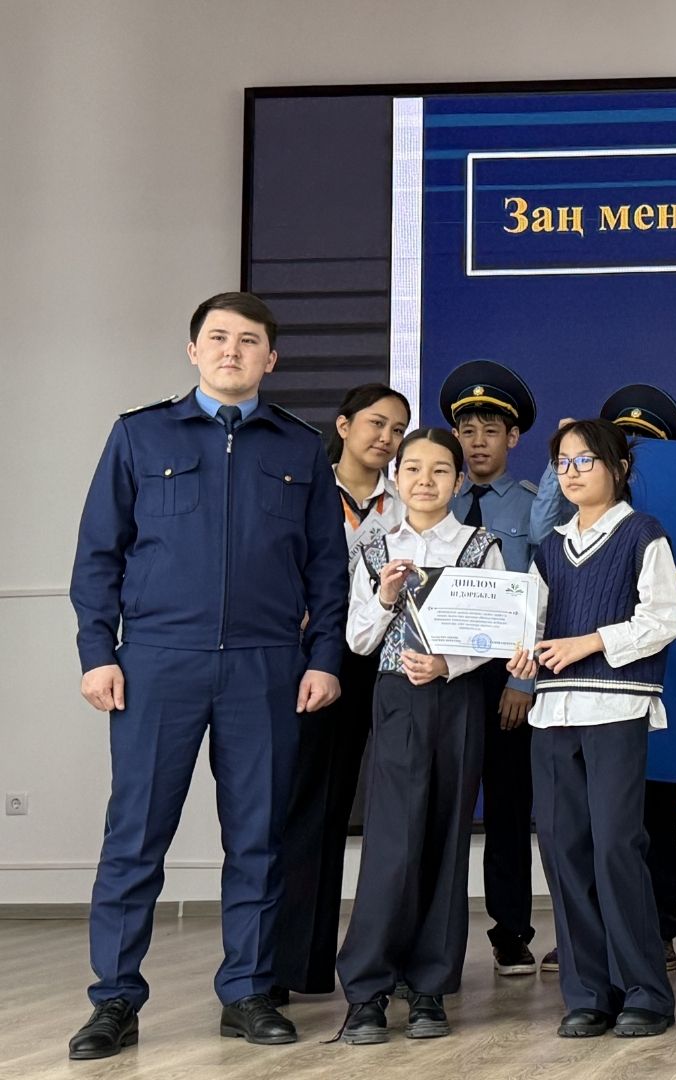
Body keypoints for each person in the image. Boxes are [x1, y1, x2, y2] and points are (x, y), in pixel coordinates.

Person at [68, 292, 346, 1059]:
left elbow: (328, 571)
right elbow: (97, 556)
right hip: (158, 660)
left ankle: (249, 992)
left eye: (248, 340)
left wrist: (324, 658)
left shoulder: (300, 447)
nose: (231, 350)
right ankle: (114, 1000)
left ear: (270, 359)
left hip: (266, 665)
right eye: (217, 337)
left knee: (258, 837)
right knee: (135, 837)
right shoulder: (139, 434)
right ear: (194, 351)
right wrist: (97, 653)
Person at [508, 418, 676, 1039]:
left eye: (585, 460)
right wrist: (519, 653)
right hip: (553, 713)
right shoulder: (548, 549)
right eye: (563, 462)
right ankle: (587, 992)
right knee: (563, 849)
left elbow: (664, 619)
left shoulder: (642, 534)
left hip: (616, 708)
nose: (572, 472)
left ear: (619, 468)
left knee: (615, 846)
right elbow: (529, 626)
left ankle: (645, 991)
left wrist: (587, 642)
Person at [334, 428, 504, 1044]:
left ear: (458, 481)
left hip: (457, 698)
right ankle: (367, 990)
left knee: (447, 836)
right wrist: (384, 597)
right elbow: (358, 640)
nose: (424, 481)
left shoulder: (481, 545)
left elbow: (496, 632)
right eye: (412, 469)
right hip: (396, 699)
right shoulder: (375, 547)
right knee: (391, 842)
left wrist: (448, 664)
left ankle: (429, 987)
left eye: (439, 470)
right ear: (396, 477)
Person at [272, 384, 410, 1005]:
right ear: (345, 424)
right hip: (316, 661)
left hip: (389, 661)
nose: (387, 438)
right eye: (376, 423)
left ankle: (395, 963)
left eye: (398, 429)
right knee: (311, 806)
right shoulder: (304, 487)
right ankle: (294, 964)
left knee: (395, 807)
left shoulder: (405, 501)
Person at [440, 360, 545, 978]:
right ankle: (438, 936)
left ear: (513, 438)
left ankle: (511, 930)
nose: (477, 442)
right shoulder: (435, 501)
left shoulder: (534, 508)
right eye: (467, 430)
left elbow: (543, 595)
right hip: (444, 675)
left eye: (490, 431)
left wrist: (522, 680)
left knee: (508, 807)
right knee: (444, 807)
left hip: (506, 675)